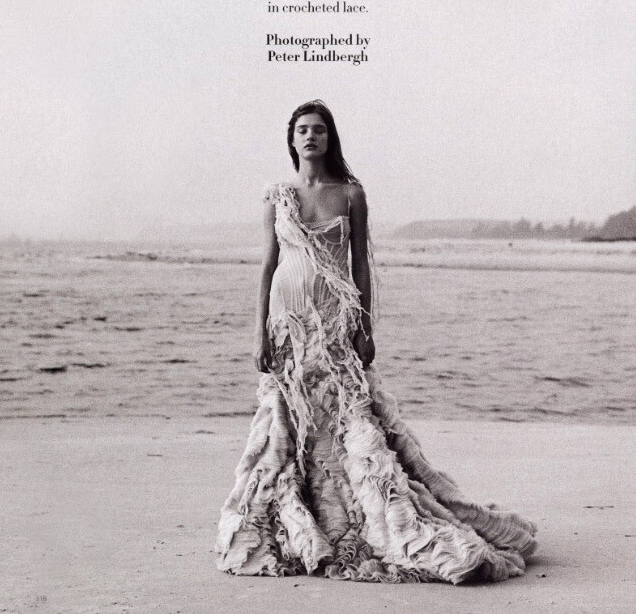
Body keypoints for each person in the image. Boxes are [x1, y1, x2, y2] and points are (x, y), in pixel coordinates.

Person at [216, 99, 537, 583]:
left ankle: (365, 520)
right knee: (287, 426)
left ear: (329, 138)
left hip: (334, 323)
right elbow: (267, 266)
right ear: (292, 140)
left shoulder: (351, 194)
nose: (310, 137)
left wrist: (365, 327)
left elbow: (360, 266)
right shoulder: (276, 196)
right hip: (288, 328)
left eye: (319, 130)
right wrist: (258, 331)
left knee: (349, 420)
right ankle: (302, 520)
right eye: (302, 130)